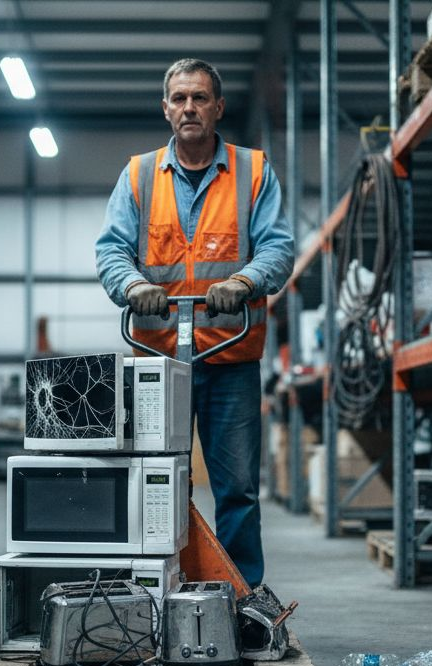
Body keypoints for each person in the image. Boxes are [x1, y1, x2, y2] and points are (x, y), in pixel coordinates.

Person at [95, 58, 294, 587]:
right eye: (179, 98)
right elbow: (112, 249)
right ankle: (159, 589)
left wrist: (245, 283)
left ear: (218, 108)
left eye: (200, 98)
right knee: (160, 482)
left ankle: (238, 596)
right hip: (160, 362)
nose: (189, 108)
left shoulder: (253, 171)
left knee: (238, 489)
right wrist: (135, 287)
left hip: (229, 358)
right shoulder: (138, 174)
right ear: (166, 109)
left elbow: (278, 245)